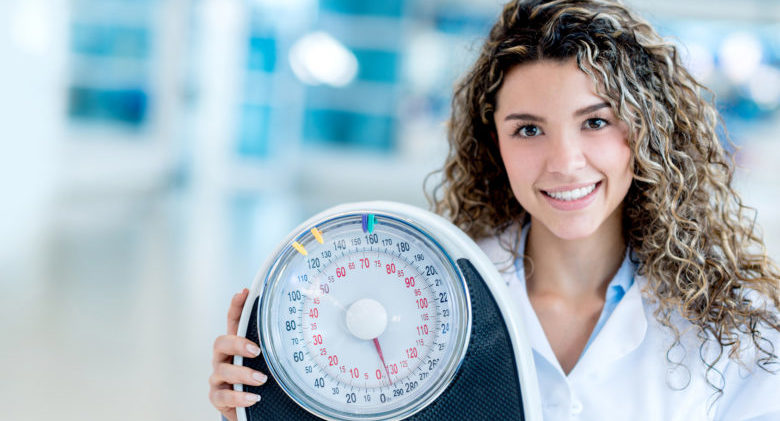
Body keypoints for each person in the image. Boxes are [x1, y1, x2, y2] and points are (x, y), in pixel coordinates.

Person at [209, 0, 780, 419]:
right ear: (494, 145)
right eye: (528, 129)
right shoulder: (430, 295)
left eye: (596, 122)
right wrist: (275, 406)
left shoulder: (743, 328)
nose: (564, 162)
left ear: (649, 133)